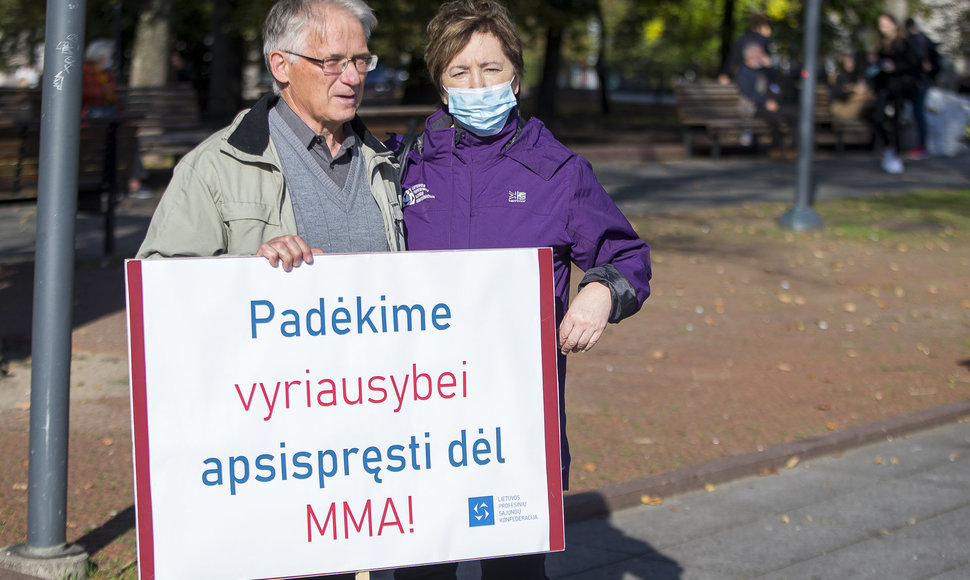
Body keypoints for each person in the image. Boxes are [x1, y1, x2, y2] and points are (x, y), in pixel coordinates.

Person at [390, 1, 651, 578]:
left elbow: (627, 256)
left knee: (513, 571)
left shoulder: (559, 172)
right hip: (417, 424)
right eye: (458, 72)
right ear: (439, 84)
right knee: (419, 572)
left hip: (514, 426)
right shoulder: (401, 168)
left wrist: (600, 292)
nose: (476, 84)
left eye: (491, 68)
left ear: (517, 77)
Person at [136, 0, 405, 271]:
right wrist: (254, 269)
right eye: (332, 62)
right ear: (280, 66)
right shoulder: (213, 166)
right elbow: (158, 281)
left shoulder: (385, 162)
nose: (353, 77)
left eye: (360, 61)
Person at [871, 13, 921, 174]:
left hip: (899, 88)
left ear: (894, 24)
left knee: (897, 122)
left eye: (885, 24)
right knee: (878, 118)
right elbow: (876, 66)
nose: (883, 28)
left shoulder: (904, 43)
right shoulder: (880, 45)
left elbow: (914, 64)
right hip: (884, 88)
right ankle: (888, 149)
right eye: (881, 25)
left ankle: (897, 155)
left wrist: (895, 67)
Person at [735, 41, 795, 159]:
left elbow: (778, 82)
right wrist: (765, 102)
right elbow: (748, 92)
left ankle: (793, 148)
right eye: (760, 54)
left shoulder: (764, 70)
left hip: (772, 104)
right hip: (754, 107)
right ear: (751, 56)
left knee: (794, 114)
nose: (763, 56)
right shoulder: (743, 72)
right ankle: (776, 148)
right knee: (775, 118)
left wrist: (770, 67)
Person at [903, 17, 939, 160]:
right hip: (924, 81)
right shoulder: (925, 38)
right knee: (919, 113)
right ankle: (922, 145)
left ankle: (922, 146)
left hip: (919, 82)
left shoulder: (914, 40)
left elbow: (917, 61)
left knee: (918, 113)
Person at [718, 13, 774, 85]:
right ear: (762, 26)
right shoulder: (764, 40)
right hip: (759, 76)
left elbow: (733, 57)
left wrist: (725, 73)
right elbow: (768, 62)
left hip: (743, 75)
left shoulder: (743, 39)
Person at [828, 52, 874, 121]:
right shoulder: (838, 77)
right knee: (864, 97)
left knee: (868, 97)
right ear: (842, 64)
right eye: (849, 62)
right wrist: (854, 89)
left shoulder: (853, 75)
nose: (852, 64)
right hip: (842, 107)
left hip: (850, 106)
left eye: (852, 62)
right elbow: (840, 94)